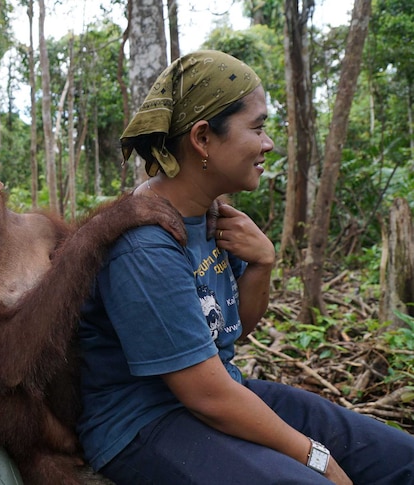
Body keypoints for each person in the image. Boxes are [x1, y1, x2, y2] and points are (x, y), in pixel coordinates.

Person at [77, 50, 414, 485]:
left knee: (398, 457)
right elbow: (205, 395)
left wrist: (261, 264)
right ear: (202, 138)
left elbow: (227, 331)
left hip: (219, 392)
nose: (268, 144)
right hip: (144, 423)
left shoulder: (211, 216)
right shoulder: (144, 244)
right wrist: (317, 458)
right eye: (257, 128)